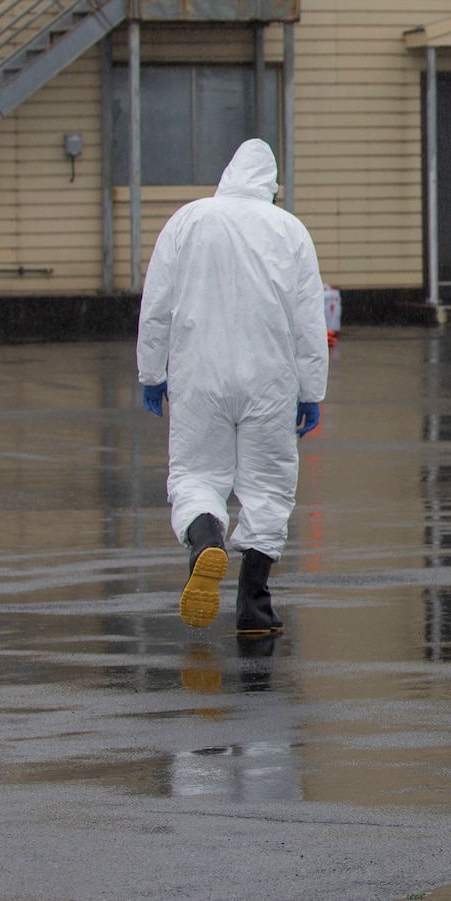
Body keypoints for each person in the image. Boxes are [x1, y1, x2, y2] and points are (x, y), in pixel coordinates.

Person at [138, 140, 327, 635]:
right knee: (267, 488)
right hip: (270, 379)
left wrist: (151, 373)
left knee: (197, 475)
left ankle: (207, 543)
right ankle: (254, 605)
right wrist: (312, 389)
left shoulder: (189, 220)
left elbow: (156, 303)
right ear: (271, 185)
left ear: (226, 175)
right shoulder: (289, 230)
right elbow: (309, 319)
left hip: (199, 376)